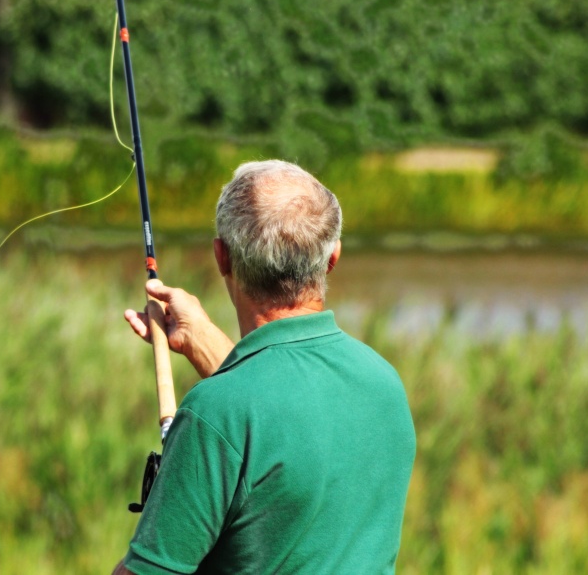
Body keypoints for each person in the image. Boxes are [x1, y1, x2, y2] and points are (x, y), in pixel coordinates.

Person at [113, 160, 416, 575]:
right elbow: (283, 417)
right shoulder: (383, 384)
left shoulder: (217, 412)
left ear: (221, 257)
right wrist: (201, 339)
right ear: (333, 257)